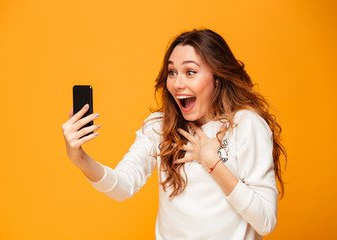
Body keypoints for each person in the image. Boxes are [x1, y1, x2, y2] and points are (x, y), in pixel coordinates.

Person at [62, 29, 286, 240]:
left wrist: (213, 163)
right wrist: (79, 158)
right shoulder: (160, 127)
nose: (178, 83)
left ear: (217, 77)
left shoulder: (245, 125)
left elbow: (265, 221)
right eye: (172, 72)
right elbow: (122, 186)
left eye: (190, 72)